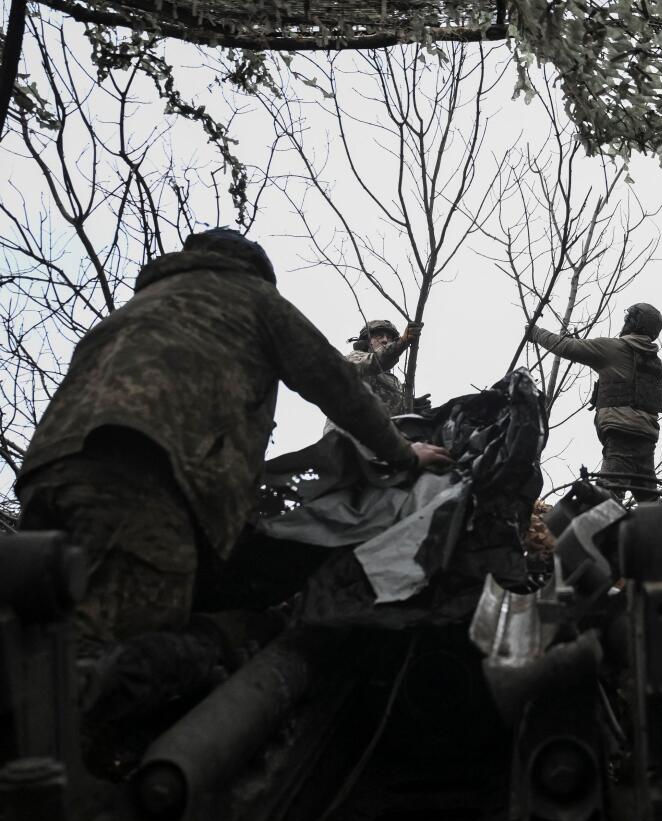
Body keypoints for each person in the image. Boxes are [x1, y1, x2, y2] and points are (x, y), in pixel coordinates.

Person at [16, 228, 452, 662]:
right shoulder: (252, 297)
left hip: (47, 475)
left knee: (39, 635)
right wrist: (402, 454)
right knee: (120, 649)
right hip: (149, 479)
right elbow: (338, 384)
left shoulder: (140, 307)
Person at [527, 305, 662, 502]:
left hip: (622, 436)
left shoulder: (614, 348)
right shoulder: (652, 361)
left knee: (605, 500)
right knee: (650, 504)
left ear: (633, 323)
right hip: (646, 438)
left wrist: (535, 333)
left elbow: (566, 347)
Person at [344, 319, 421, 417]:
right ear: (366, 341)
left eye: (389, 338)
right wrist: (402, 342)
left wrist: (410, 406)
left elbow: (391, 416)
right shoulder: (354, 359)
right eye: (379, 336)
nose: (385, 340)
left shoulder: (395, 383)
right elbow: (374, 361)